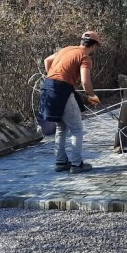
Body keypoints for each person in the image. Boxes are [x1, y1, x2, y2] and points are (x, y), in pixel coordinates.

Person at [40, 31, 102, 174]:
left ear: (81, 41)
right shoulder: (84, 56)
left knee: (61, 128)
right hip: (62, 91)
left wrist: (54, 77)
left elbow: (47, 61)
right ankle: (76, 164)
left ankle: (61, 162)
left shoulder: (66, 49)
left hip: (48, 88)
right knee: (77, 129)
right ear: (93, 46)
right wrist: (92, 95)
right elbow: (85, 81)